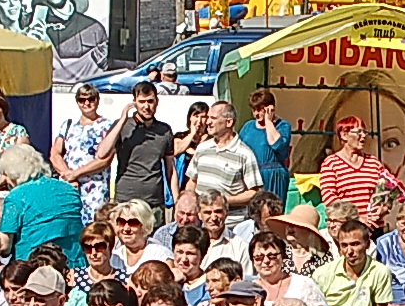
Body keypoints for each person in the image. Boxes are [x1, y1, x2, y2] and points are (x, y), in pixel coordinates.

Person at [0, 144, 85, 267]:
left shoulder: (15, 197)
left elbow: (5, 247)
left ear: (13, 173)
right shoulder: (69, 190)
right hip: (74, 265)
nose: (5, 180)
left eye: (5, 175)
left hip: (31, 267)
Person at [95, 81, 175, 211]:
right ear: (134, 103)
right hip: (126, 200)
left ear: (157, 102)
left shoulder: (165, 130)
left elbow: (171, 170)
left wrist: (176, 200)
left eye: (150, 101)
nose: (147, 106)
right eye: (142, 102)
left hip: (154, 202)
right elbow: (102, 153)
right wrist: (122, 120)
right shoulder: (123, 126)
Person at [319, 115, 405, 226]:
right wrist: (356, 218)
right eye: (358, 132)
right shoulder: (331, 163)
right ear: (344, 135)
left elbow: (387, 189)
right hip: (346, 229)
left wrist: (384, 208)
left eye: (364, 132)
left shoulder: (373, 162)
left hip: (374, 227)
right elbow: (329, 196)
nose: (363, 136)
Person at [245, 230, 333, 306]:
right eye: (259, 257)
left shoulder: (303, 284)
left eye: (272, 256)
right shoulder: (247, 291)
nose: (266, 261)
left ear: (282, 256)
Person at [189, 101, 264, 224]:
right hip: (202, 224)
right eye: (208, 118)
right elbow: (192, 181)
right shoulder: (202, 148)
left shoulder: (244, 154)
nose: (207, 122)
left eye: (213, 118)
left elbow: (255, 192)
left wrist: (224, 201)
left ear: (228, 122)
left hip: (231, 225)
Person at [52, 83, 117, 222]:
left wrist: (76, 173)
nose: (87, 103)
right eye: (82, 100)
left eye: (91, 99)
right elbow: (55, 153)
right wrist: (68, 175)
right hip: (70, 186)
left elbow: (105, 160)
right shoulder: (68, 125)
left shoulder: (108, 125)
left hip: (95, 189)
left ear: (97, 100)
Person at [239, 87, 294, 204]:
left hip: (273, 175)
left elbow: (276, 144)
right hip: (252, 175)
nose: (256, 114)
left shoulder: (283, 126)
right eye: (254, 110)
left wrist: (269, 121)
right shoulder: (248, 126)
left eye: (259, 109)